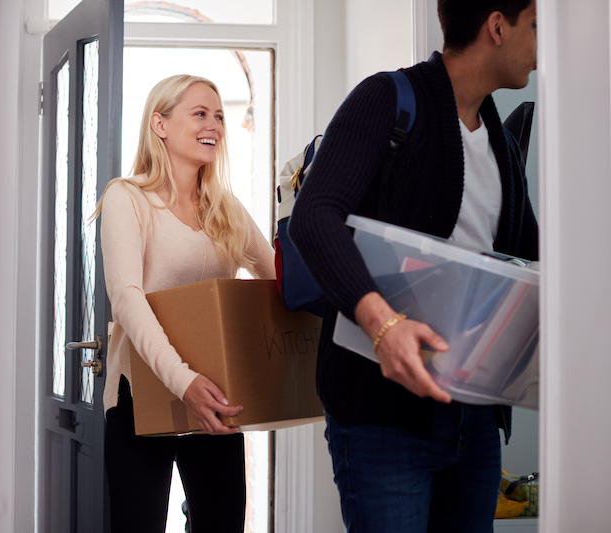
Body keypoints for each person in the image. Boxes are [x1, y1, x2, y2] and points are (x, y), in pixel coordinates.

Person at [288, 1, 539, 531]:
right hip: (383, 419)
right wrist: (384, 325)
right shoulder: (387, 98)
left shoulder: (503, 143)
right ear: (498, 26)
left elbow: (530, 260)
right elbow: (313, 217)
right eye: (535, 27)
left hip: (474, 420)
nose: (543, 50)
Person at [96, 74, 275, 533]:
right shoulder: (127, 198)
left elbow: (277, 278)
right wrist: (183, 380)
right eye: (199, 113)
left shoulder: (226, 209)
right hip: (145, 395)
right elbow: (127, 300)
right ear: (160, 124)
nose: (213, 123)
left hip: (216, 400)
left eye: (217, 116)